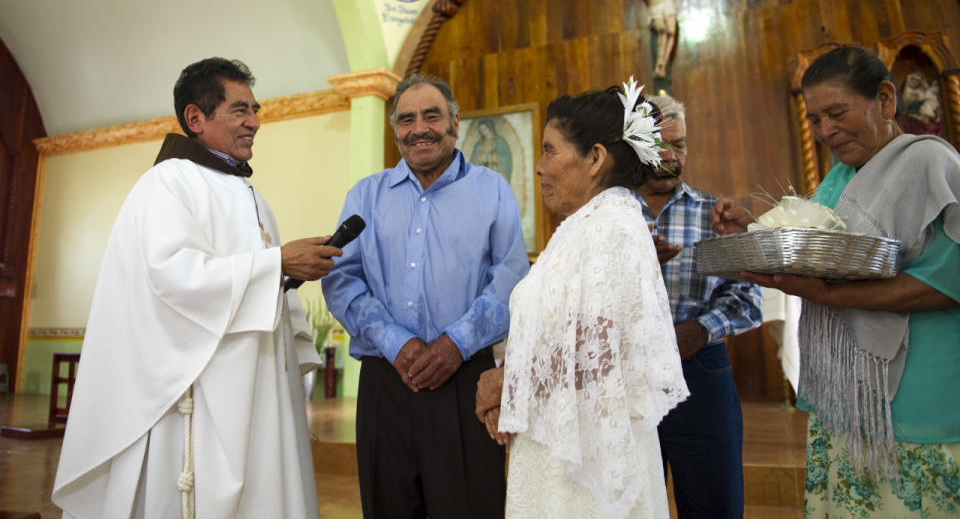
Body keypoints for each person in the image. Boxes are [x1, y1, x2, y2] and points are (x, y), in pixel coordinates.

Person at [52, 58, 342, 519]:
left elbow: (253, 275)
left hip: (259, 383)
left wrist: (287, 273)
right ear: (195, 118)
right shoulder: (167, 183)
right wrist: (275, 264)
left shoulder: (252, 195)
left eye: (256, 109)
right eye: (240, 110)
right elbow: (171, 276)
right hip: (198, 394)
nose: (255, 122)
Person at [714, 45, 960, 518]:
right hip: (847, 392)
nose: (826, 130)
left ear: (886, 99)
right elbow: (822, 249)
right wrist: (754, 230)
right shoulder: (840, 176)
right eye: (814, 119)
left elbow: (947, 282)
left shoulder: (930, 162)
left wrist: (830, 295)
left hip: (917, 385)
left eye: (837, 112)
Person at [321, 74, 529, 518]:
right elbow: (342, 277)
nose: (419, 128)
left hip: (466, 383)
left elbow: (511, 278)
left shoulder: (492, 190)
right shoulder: (366, 195)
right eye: (406, 119)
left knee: (472, 507)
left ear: (454, 122)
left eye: (431, 116)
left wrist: (455, 344)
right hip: (384, 382)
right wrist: (396, 342)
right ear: (395, 130)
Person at [477, 83, 689, 518]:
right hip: (559, 441)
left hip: (585, 457)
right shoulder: (582, 226)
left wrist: (505, 382)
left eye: (550, 151)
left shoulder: (613, 227)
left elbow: (596, 353)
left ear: (595, 158)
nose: (538, 167)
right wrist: (509, 384)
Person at [629, 93, 762, 518]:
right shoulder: (607, 216)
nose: (670, 155)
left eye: (680, 144)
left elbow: (748, 297)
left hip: (700, 373)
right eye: (658, 144)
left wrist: (700, 331)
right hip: (623, 376)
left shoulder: (715, 214)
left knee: (713, 504)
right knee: (628, 504)